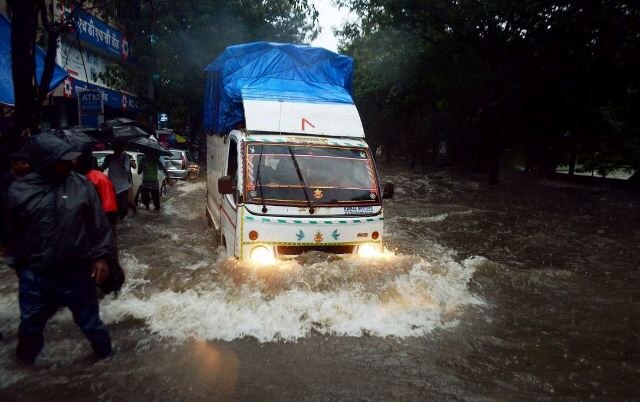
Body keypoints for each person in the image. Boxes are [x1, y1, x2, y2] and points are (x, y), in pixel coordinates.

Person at [6, 134, 117, 364]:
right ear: (45, 161)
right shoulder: (19, 191)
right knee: (29, 328)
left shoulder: (82, 185)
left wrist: (103, 258)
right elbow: (11, 234)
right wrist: (19, 265)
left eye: (71, 160)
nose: (71, 164)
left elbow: (99, 225)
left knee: (91, 325)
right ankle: (26, 372)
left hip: (76, 273)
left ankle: (110, 362)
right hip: (36, 275)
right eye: (63, 161)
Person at [74, 145, 118, 226]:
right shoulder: (69, 179)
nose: (74, 161)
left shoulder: (100, 180)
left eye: (76, 158)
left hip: (96, 228)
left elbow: (111, 214)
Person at [0, 152, 31, 254]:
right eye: (23, 163)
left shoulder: (30, 180)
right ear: (13, 164)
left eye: (27, 163)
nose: (27, 166)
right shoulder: (3, 182)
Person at [98, 143, 136, 219]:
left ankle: (131, 213)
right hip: (112, 186)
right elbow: (102, 167)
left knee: (124, 208)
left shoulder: (126, 157)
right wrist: (96, 167)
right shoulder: (109, 158)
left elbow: (133, 167)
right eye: (116, 147)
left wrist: (129, 161)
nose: (118, 149)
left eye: (120, 147)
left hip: (124, 186)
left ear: (122, 148)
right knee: (115, 209)